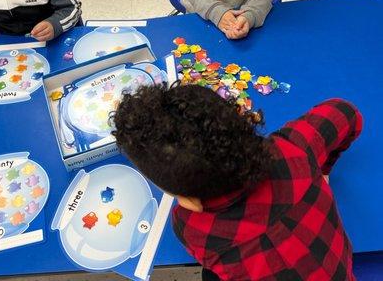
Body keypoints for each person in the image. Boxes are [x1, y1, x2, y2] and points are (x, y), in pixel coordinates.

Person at [112, 83, 362, 280]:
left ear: (191, 202)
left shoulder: (191, 228)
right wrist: (323, 169)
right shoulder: (295, 147)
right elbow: (346, 112)